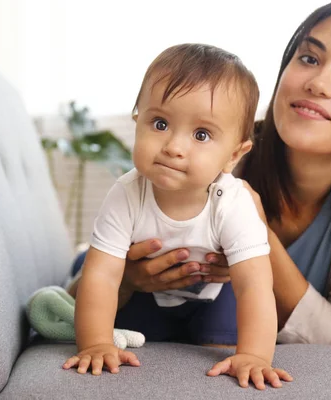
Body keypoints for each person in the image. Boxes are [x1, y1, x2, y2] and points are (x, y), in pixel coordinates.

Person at [107, 0, 331, 350]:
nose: (318, 83)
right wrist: (127, 281)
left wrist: (256, 234)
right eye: (309, 58)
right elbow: (82, 290)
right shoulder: (208, 154)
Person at [63, 43, 292, 390]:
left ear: (233, 155)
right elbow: (103, 277)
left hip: (214, 295)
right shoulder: (126, 194)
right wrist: (95, 343)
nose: (173, 146)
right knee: (126, 328)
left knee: (225, 341)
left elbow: (254, 286)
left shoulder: (233, 202)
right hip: (146, 294)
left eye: (201, 134)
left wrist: (256, 356)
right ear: (137, 120)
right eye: (160, 123)